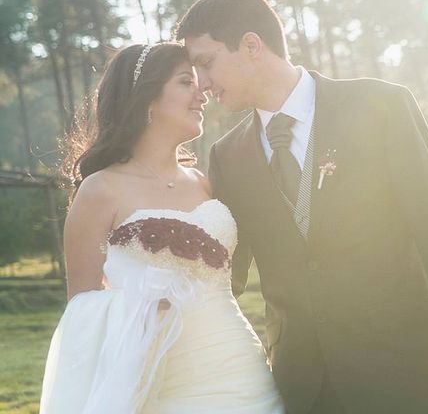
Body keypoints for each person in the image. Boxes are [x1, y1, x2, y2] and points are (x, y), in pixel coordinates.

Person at [176, 0, 428, 414]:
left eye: (206, 63)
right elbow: (227, 277)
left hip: (406, 366)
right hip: (302, 382)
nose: (201, 84)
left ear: (251, 45)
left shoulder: (381, 105)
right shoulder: (227, 155)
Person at [39, 42, 285, 414]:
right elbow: (81, 311)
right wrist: (139, 305)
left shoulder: (203, 182)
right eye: (186, 82)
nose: (201, 92)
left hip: (238, 365)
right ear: (147, 100)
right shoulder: (100, 189)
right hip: (167, 381)